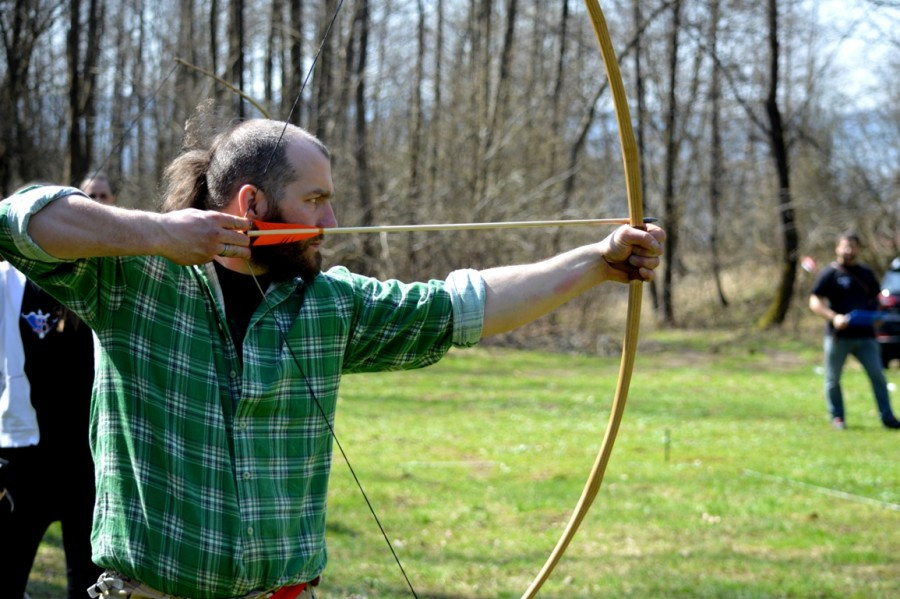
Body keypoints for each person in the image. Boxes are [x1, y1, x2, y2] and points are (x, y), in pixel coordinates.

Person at [0, 119, 665, 599]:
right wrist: (157, 233)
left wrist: (594, 264)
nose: (331, 220)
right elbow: (16, 221)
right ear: (252, 204)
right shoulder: (131, 281)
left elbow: (465, 304)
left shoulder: (328, 303)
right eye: (315, 199)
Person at [0, 202, 103, 596]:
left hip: (88, 465)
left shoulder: (100, 281)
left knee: (91, 586)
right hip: (22, 464)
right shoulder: (7, 279)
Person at [809, 231, 900, 430]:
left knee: (878, 376)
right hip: (838, 337)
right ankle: (837, 417)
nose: (848, 250)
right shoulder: (830, 273)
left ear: (858, 248)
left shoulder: (866, 273)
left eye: (852, 246)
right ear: (837, 248)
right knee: (833, 379)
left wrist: (877, 317)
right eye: (844, 246)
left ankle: (888, 417)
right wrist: (834, 317)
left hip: (866, 336)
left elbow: (878, 299)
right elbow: (814, 301)